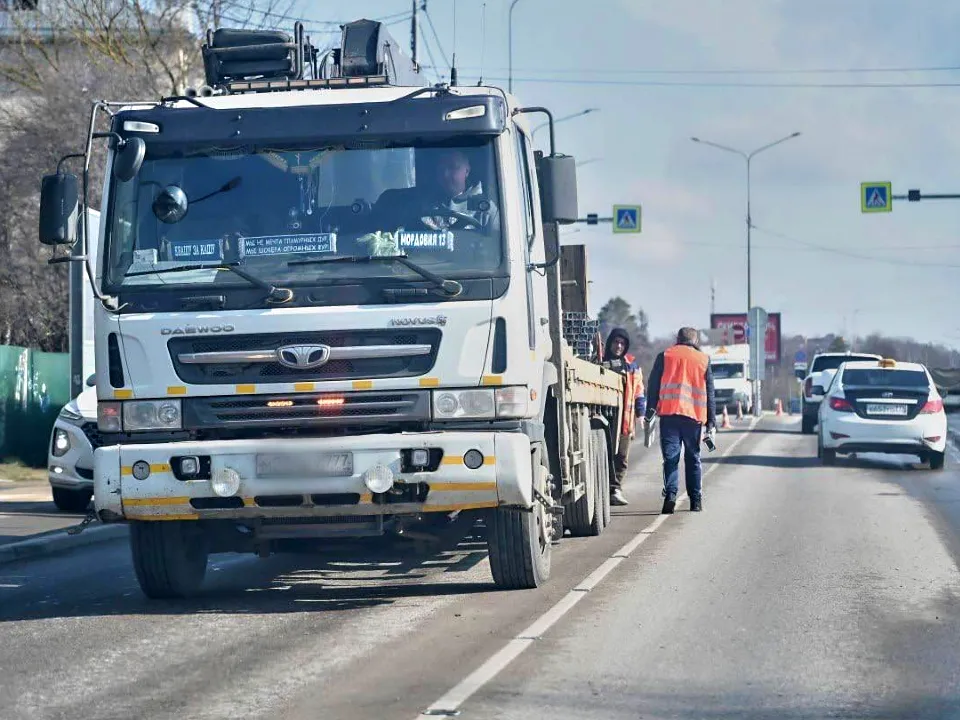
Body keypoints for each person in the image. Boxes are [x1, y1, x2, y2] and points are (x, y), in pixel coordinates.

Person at [643, 327, 716, 514]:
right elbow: (710, 392)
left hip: (669, 416)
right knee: (693, 458)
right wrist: (711, 421)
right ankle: (696, 500)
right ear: (695, 341)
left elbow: (653, 386)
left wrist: (650, 411)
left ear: (677, 339)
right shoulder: (703, 359)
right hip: (693, 417)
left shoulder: (665, 356)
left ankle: (671, 496)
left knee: (671, 458)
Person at [601, 328, 645, 506]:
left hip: (625, 420)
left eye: (622, 343)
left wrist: (641, 414)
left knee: (621, 456)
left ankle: (616, 489)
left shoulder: (632, 366)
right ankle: (606, 489)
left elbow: (639, 391)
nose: (618, 346)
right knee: (606, 456)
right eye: (616, 342)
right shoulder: (599, 362)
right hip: (604, 416)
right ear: (610, 342)